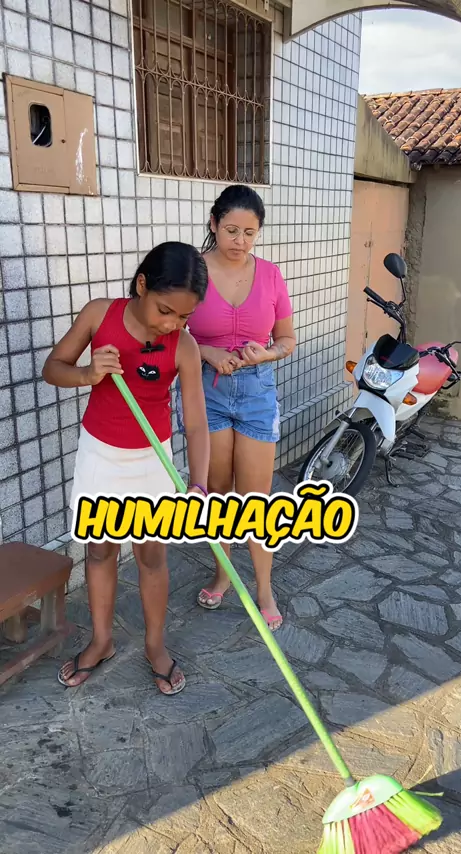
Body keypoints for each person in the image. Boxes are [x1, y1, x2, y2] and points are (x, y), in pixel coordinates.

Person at [42, 242, 210, 694]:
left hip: (153, 461)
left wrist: (198, 483)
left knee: (151, 556)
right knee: (100, 551)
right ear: (141, 285)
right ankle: (102, 641)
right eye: (165, 310)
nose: (171, 324)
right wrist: (87, 374)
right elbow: (52, 368)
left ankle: (155, 645)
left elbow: (196, 423)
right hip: (100, 455)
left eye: (184, 317)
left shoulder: (185, 346)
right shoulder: (100, 315)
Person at [175, 185, 296, 631]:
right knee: (219, 494)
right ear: (213, 223)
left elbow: (287, 339)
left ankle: (264, 588)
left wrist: (266, 354)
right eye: (230, 230)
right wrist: (205, 351)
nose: (239, 241)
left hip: (257, 392)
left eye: (249, 232)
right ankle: (223, 574)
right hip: (206, 391)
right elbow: (170, 329)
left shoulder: (271, 275)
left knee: (255, 499)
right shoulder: (192, 271)